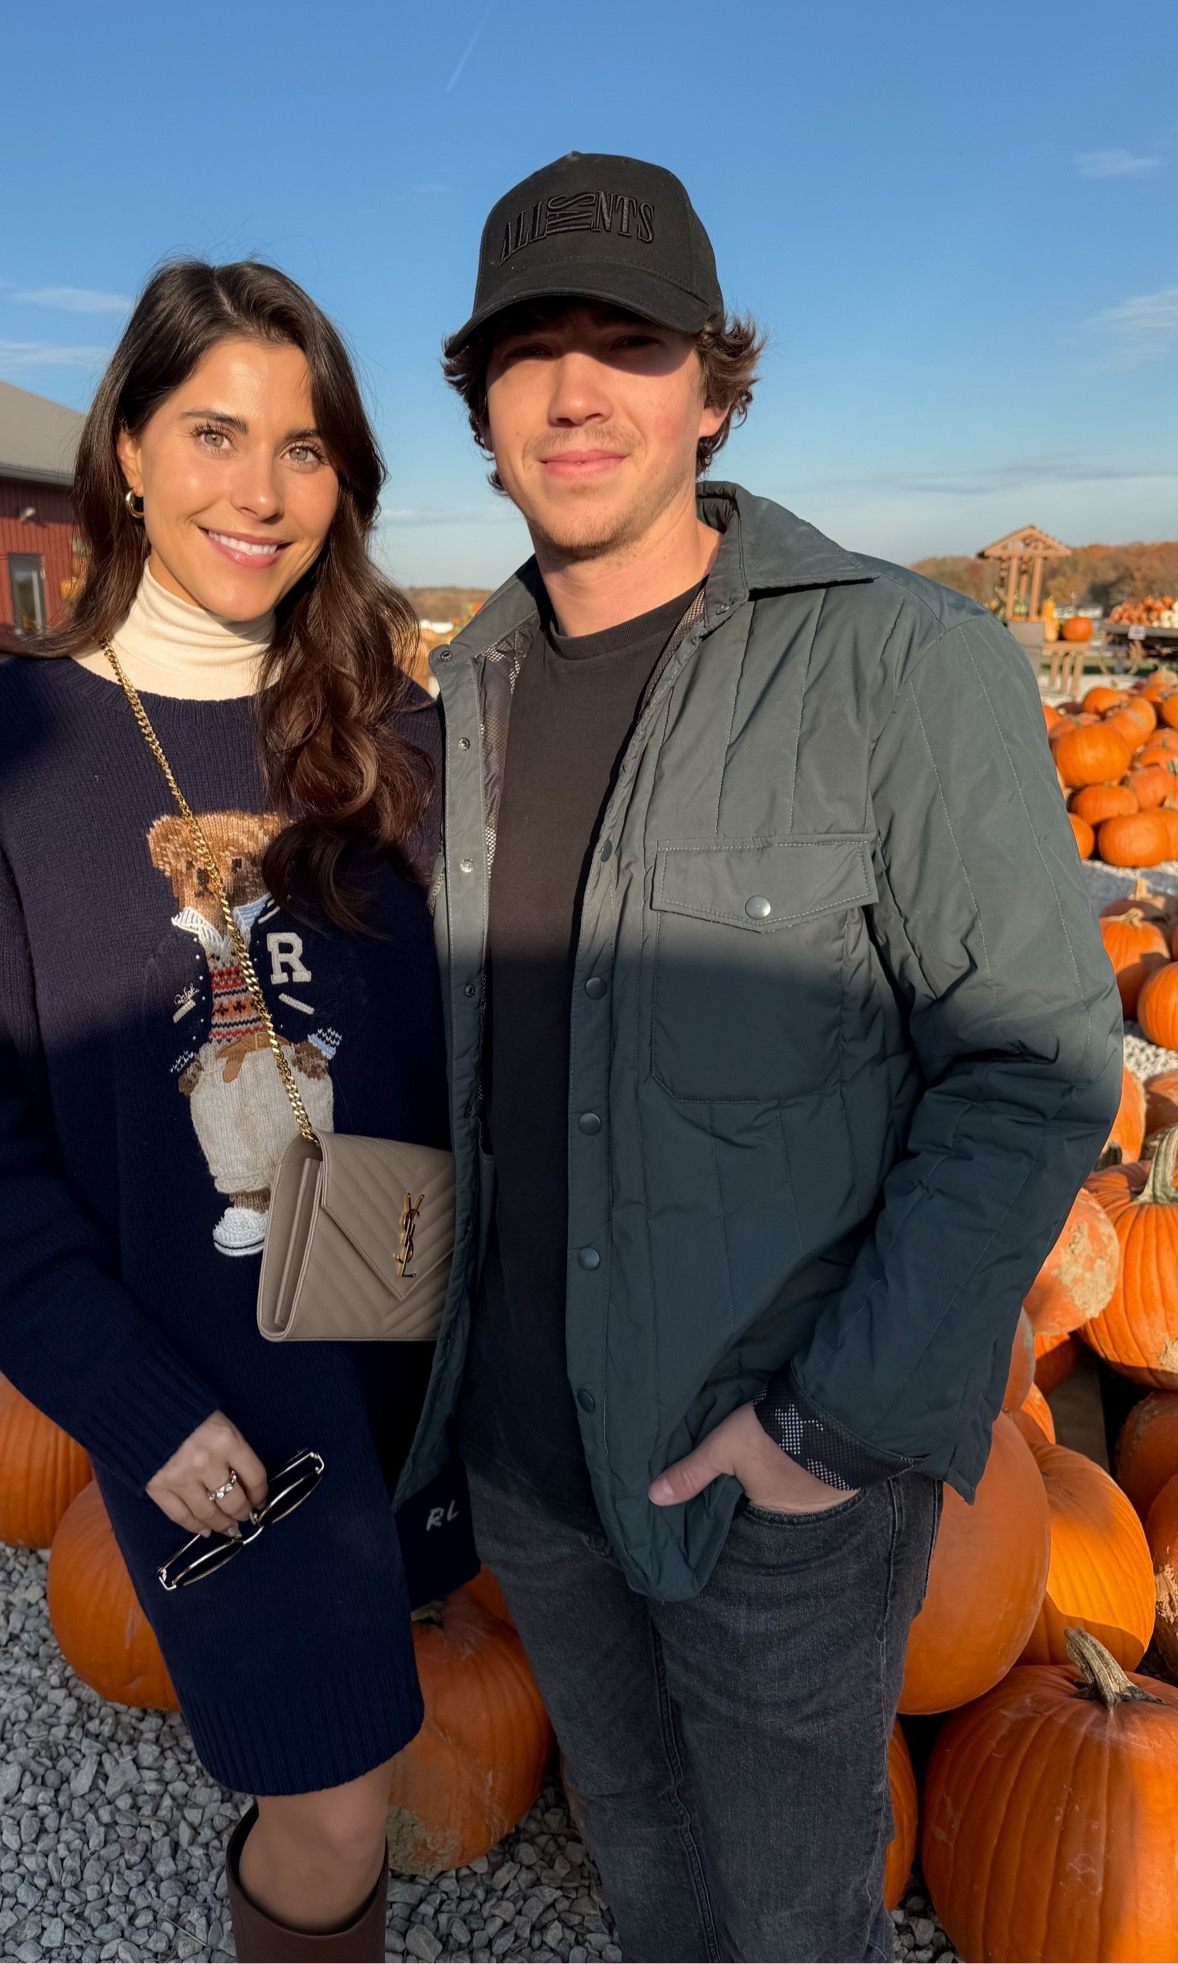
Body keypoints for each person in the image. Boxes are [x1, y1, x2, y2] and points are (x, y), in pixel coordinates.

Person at [391, 153, 1122, 1961]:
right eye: (527, 350)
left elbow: (1034, 1063)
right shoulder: (461, 700)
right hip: (526, 1455)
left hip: (771, 1482)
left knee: (795, 1908)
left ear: (714, 385)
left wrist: (832, 1428)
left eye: (626, 344)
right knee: (635, 1835)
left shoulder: (901, 666)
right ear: (478, 407)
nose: (575, 391)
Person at [0, 259, 456, 1964]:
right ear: (127, 449)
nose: (259, 491)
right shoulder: (1, 747)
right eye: (214, 432)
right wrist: (129, 1405)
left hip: (417, 1343)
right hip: (218, 1398)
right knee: (336, 1793)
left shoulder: (392, 729)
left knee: (389, 1725)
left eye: (304, 445)